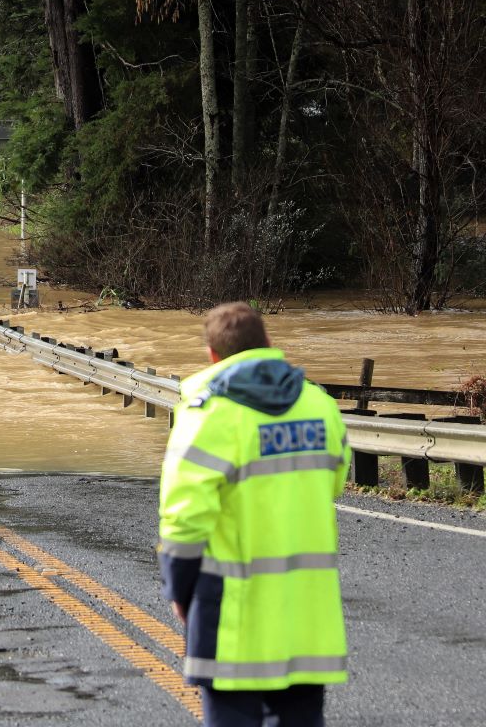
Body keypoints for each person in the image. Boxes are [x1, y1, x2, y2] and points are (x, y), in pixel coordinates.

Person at [158, 303, 349, 727]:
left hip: (233, 618)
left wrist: (178, 591)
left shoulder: (207, 417)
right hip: (307, 615)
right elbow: (332, 483)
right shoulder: (320, 406)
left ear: (212, 356)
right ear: (267, 344)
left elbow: (184, 521)